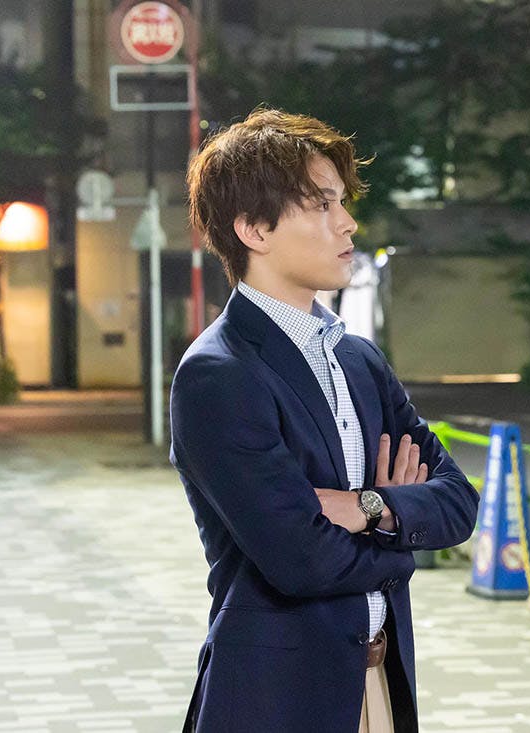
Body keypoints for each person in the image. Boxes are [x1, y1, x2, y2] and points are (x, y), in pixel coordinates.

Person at [171, 108, 480, 733]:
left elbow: (459, 503)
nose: (347, 222)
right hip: (278, 699)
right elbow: (300, 559)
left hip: (380, 685)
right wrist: (402, 535)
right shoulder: (218, 373)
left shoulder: (358, 360)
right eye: (321, 205)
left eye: (341, 202)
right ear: (253, 229)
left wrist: (367, 507)